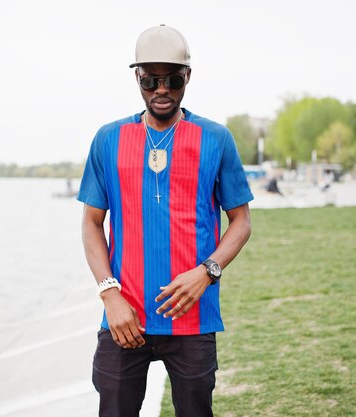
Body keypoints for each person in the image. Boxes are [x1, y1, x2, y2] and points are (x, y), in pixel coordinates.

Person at [77, 24, 253, 417]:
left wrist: (207, 272)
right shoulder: (108, 139)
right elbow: (91, 223)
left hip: (193, 318)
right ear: (137, 78)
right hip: (124, 318)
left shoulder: (216, 138)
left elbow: (240, 220)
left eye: (173, 79)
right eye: (150, 80)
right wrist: (109, 294)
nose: (162, 90)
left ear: (187, 77)